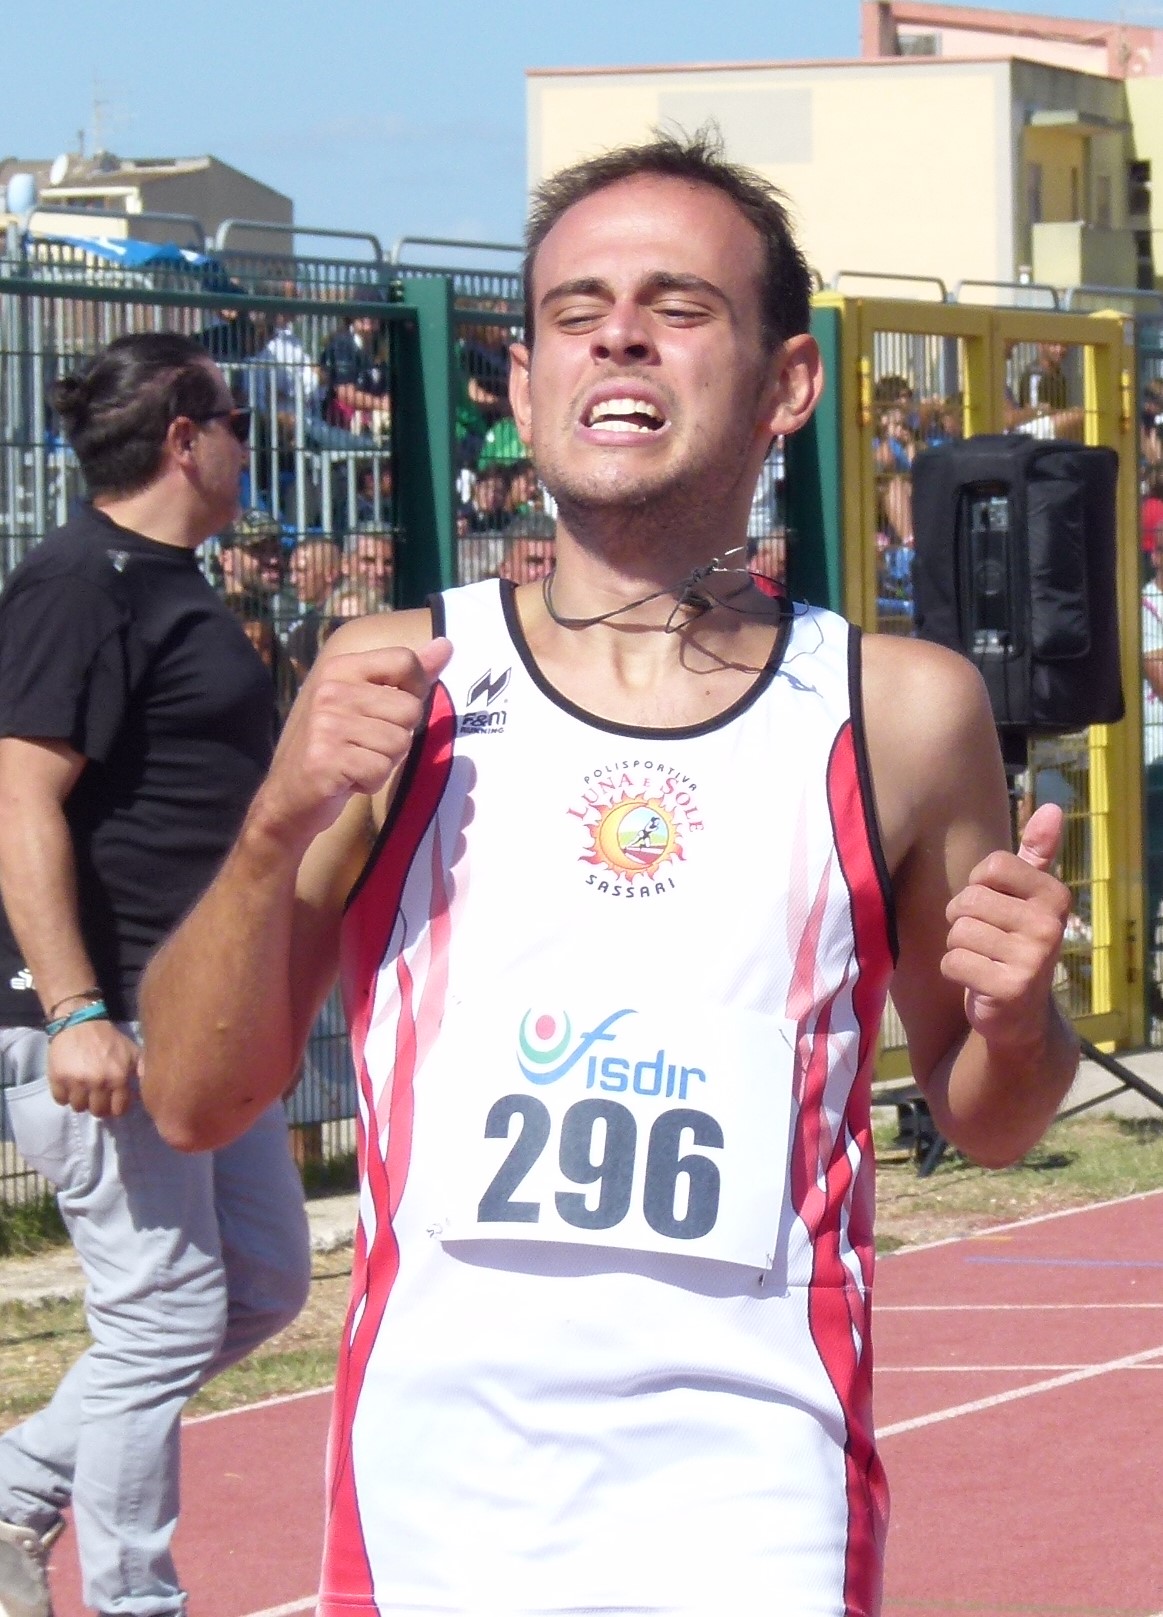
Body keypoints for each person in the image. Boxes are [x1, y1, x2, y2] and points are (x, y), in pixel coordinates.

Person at [139, 132, 1078, 1617]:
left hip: (754, 1503)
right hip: (433, 1509)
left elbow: (992, 1116)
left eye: (675, 305)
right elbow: (196, 1100)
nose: (618, 336)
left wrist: (1021, 1018)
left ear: (786, 383)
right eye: (575, 312)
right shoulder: (398, 680)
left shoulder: (897, 712)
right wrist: (270, 832)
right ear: (522, 385)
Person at [0, 333, 311, 1617]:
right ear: (185, 439)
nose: (247, 442)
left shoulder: (165, 579)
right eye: (234, 420)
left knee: (263, 1283)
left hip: (192, 1012)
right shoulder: (78, 581)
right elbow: (17, 798)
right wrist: (73, 1009)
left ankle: (16, 1488)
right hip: (107, 1015)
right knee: (164, 1317)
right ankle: (135, 1600)